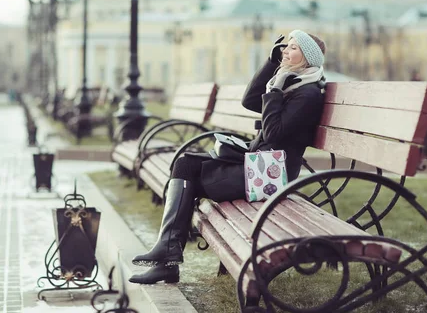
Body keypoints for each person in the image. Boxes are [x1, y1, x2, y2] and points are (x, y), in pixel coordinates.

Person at [129, 30, 327, 284]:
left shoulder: (306, 94)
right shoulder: (290, 81)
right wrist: (270, 63)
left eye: (293, 48)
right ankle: (167, 253)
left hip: (272, 174)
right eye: (285, 47)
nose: (285, 51)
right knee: (185, 163)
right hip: (259, 163)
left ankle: (167, 258)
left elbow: (274, 134)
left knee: (191, 182)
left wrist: (276, 92)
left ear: (308, 58)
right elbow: (250, 100)